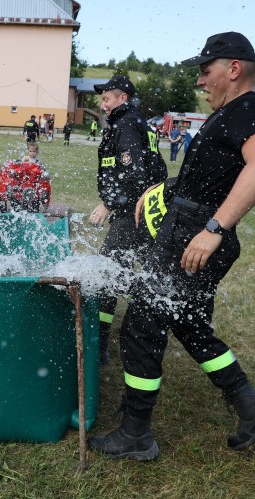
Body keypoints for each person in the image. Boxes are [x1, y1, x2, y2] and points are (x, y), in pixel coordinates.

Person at [89, 31, 255, 461]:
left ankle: (135, 434)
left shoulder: (248, 109)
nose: (201, 81)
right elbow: (211, 174)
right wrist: (164, 188)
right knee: (188, 323)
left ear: (233, 69)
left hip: (195, 237)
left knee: (142, 325)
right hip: (189, 228)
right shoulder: (232, 112)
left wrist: (215, 227)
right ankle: (250, 407)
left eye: (206, 71)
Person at [89, 74, 167, 365]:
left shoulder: (127, 124)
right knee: (124, 275)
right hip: (142, 213)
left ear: (123, 98)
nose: (103, 103)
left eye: (107, 98)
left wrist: (108, 204)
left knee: (106, 273)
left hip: (131, 213)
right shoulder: (133, 122)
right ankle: (145, 326)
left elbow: (134, 175)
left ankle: (99, 345)